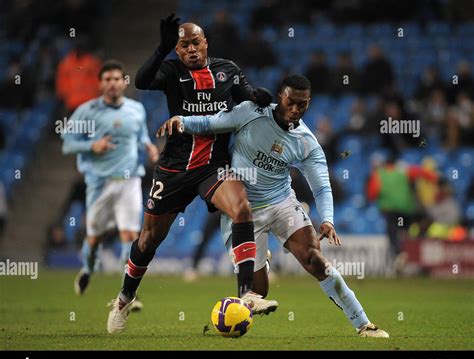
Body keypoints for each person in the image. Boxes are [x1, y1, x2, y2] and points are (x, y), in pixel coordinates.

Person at [159, 74, 390, 338]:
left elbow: (322, 186)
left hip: (281, 202)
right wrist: (182, 121)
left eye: (302, 105)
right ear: (280, 95)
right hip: (242, 210)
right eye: (290, 101)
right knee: (258, 293)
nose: (295, 109)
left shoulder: (307, 142)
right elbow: (212, 123)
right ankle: (261, 265)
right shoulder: (251, 113)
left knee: (316, 261)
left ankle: (363, 324)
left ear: (309, 103)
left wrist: (327, 219)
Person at [107, 15, 276, 334]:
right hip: (174, 169)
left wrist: (260, 98)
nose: (191, 50)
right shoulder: (172, 71)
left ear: (206, 43)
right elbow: (142, 81)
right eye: (183, 45)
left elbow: (248, 96)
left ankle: (247, 294)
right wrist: (161, 48)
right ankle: (125, 297)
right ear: (178, 50)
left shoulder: (227, 69)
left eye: (196, 43)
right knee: (149, 239)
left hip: (214, 167)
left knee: (242, 210)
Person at [62, 60, 159, 312]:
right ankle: (87, 269)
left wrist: (148, 146)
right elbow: (67, 143)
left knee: (130, 235)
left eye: (117, 79)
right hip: (99, 182)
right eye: (108, 79)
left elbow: (140, 136)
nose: (113, 83)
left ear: (124, 83)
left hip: (129, 181)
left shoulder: (136, 109)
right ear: (100, 83)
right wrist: (90, 146)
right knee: (94, 239)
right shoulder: (87, 111)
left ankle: (127, 293)